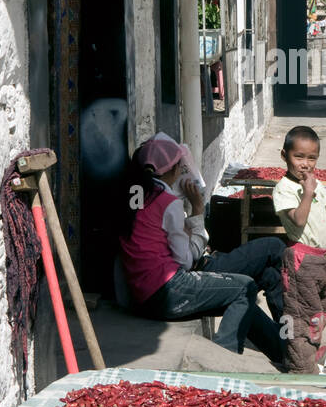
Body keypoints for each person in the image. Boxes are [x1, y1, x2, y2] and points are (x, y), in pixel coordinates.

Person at [117, 135, 286, 366]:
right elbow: (185, 261)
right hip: (168, 289)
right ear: (174, 170)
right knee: (245, 287)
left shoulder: (134, 196)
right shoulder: (168, 202)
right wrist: (197, 211)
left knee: (243, 294)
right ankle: (221, 362)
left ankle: (285, 353)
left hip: (143, 293)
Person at [271, 127, 326, 373]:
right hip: (301, 262)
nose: (305, 164)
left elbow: (325, 219)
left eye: (311, 158)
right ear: (284, 155)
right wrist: (308, 192)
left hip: (321, 260)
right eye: (298, 157)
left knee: (320, 312)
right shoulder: (284, 188)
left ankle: (312, 354)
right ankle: (302, 367)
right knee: (300, 317)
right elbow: (299, 220)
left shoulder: (316, 184)